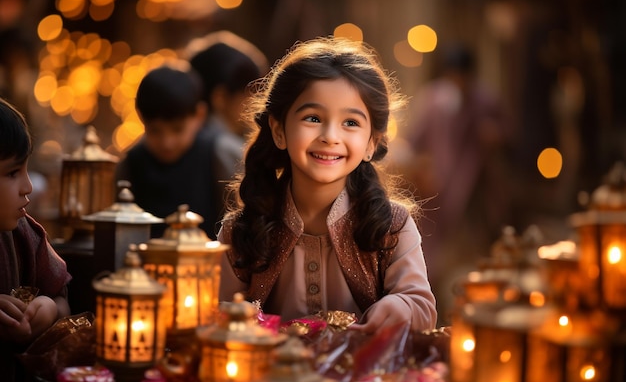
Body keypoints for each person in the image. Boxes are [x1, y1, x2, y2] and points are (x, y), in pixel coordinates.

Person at [217, 36, 437, 335]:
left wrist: (399, 306)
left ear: (372, 142)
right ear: (279, 130)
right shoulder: (240, 232)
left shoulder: (391, 227)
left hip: (365, 378)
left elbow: (422, 307)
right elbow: (217, 317)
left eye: (350, 123)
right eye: (313, 118)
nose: (330, 136)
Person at [402, 43, 512, 324]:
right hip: (439, 190)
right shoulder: (434, 99)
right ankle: (437, 316)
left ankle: (476, 314)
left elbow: (506, 134)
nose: (459, 82)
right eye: (454, 76)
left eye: (463, 77)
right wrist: (419, 169)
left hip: (477, 194)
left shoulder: (486, 100)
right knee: (435, 258)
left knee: (476, 256)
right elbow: (415, 140)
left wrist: (495, 137)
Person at [0, 97, 72, 382]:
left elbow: (61, 300)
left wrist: (48, 311)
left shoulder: (25, 235)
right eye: (12, 173)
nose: (28, 186)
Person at [116, 65, 219, 239]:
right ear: (140, 117)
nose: (167, 143)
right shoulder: (132, 162)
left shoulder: (217, 154)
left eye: (177, 130)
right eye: (155, 131)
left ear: (199, 115)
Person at [187, 31, 268, 223]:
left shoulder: (172, 138)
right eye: (250, 94)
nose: (258, 103)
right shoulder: (226, 148)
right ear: (220, 97)